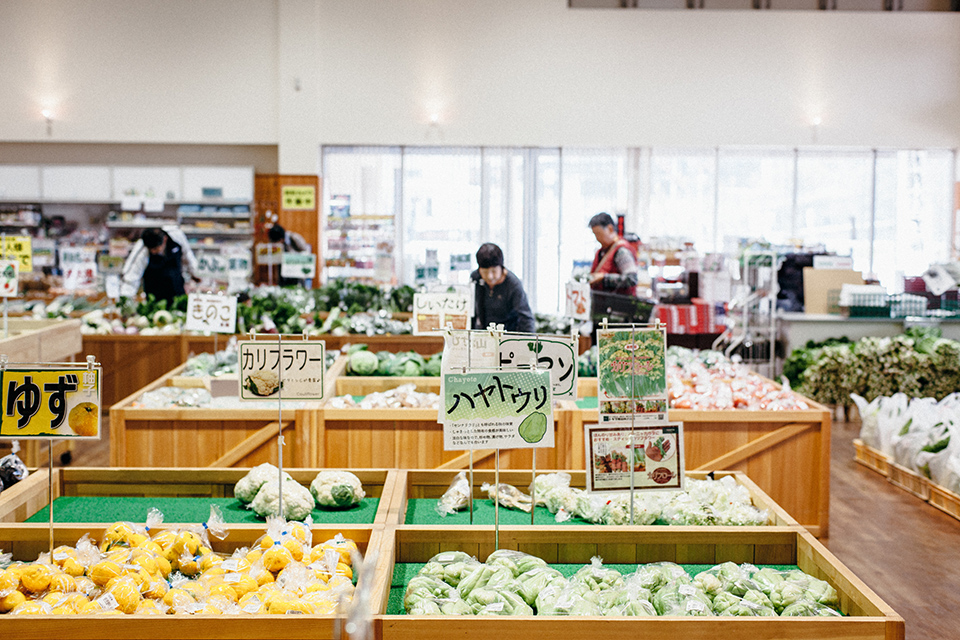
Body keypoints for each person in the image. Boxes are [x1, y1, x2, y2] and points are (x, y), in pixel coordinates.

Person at [120, 226, 199, 304]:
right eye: (151, 250)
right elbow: (132, 277)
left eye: (156, 249)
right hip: (155, 297)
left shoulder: (176, 236)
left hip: (177, 292)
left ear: (165, 240)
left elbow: (188, 255)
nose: (153, 252)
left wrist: (195, 273)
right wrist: (126, 300)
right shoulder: (142, 250)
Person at [470, 243, 535, 334]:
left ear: (501, 267)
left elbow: (525, 317)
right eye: (485, 272)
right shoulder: (475, 278)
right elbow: (471, 310)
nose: (490, 276)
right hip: (483, 335)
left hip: (508, 337)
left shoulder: (513, 284)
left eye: (494, 271)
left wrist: (528, 344)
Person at [588, 212, 638, 296]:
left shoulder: (621, 251)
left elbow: (631, 279)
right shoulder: (603, 251)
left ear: (610, 229)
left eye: (598, 234)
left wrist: (604, 278)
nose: (597, 239)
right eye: (595, 235)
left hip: (618, 306)